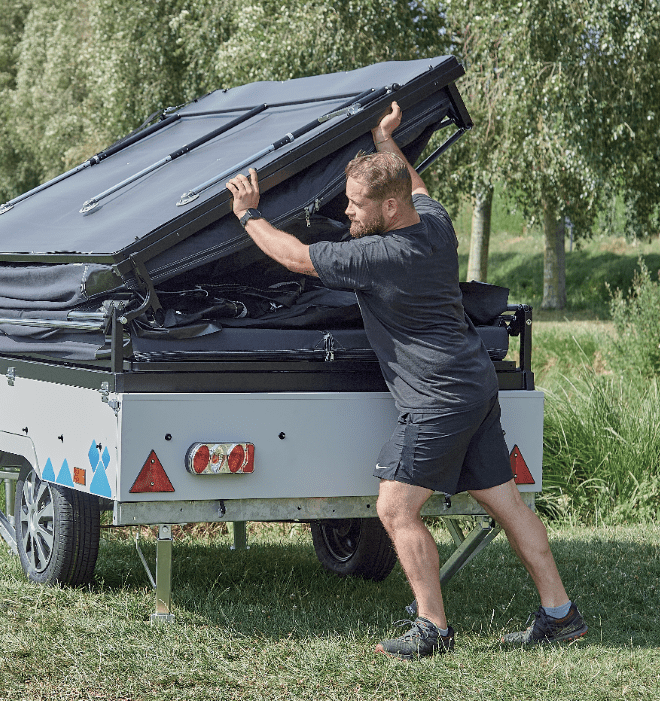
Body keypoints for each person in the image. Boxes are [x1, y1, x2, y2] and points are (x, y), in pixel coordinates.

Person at [225, 101, 587, 660]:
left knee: (395, 509)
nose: (346, 213)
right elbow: (416, 186)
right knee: (510, 506)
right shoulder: (435, 227)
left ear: (386, 209)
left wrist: (250, 215)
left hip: (439, 399)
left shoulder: (379, 254)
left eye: (355, 205)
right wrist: (386, 138)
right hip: (473, 384)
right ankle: (561, 615)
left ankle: (432, 628)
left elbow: (296, 258)